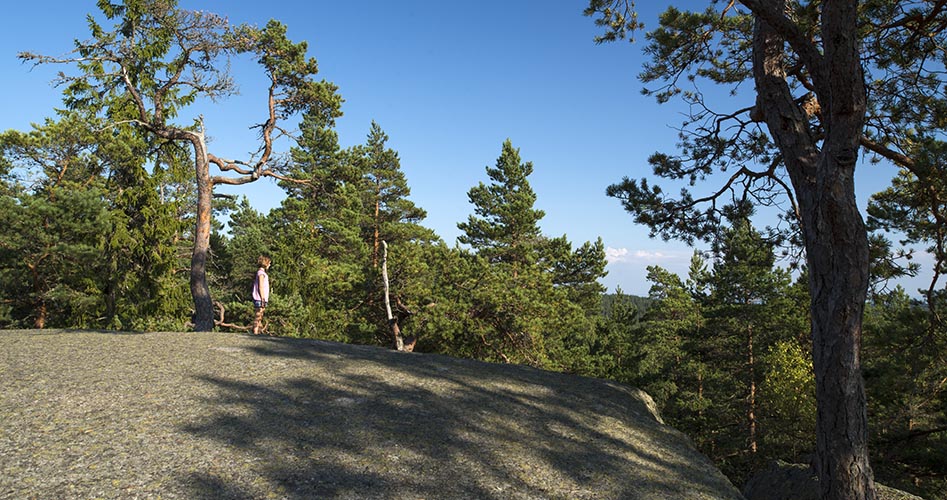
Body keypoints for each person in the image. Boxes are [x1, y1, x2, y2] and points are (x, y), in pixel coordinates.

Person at [251, 255, 271, 335]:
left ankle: (258, 331)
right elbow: (261, 286)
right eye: (269, 263)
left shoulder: (262, 273)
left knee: (260, 316)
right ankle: (255, 332)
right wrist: (262, 298)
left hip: (262, 298)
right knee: (258, 316)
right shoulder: (261, 273)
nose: (269, 265)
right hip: (260, 298)